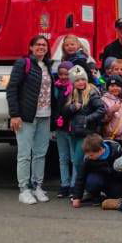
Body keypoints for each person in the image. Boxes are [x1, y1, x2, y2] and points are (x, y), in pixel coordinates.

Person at [6, 35, 54, 205]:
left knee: (40, 154)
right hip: (26, 116)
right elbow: (11, 89)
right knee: (24, 154)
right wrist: (14, 114)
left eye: (44, 45)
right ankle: (24, 189)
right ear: (31, 47)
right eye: (38, 45)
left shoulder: (48, 65)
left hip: (45, 115)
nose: (41, 47)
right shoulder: (23, 63)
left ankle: (37, 186)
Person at [71, 134, 122, 207]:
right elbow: (80, 177)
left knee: (118, 194)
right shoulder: (88, 158)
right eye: (87, 155)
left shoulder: (116, 151)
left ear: (101, 150)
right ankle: (95, 196)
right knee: (92, 182)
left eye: (91, 155)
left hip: (115, 179)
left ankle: (107, 195)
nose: (89, 157)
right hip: (98, 178)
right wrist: (77, 197)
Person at [52, 60, 76, 199]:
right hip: (60, 127)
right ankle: (64, 184)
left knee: (74, 158)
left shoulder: (76, 88)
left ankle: (73, 185)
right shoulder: (56, 88)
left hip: (72, 128)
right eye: (61, 74)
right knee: (63, 158)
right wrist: (56, 120)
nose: (63, 77)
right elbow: (54, 107)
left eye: (66, 74)